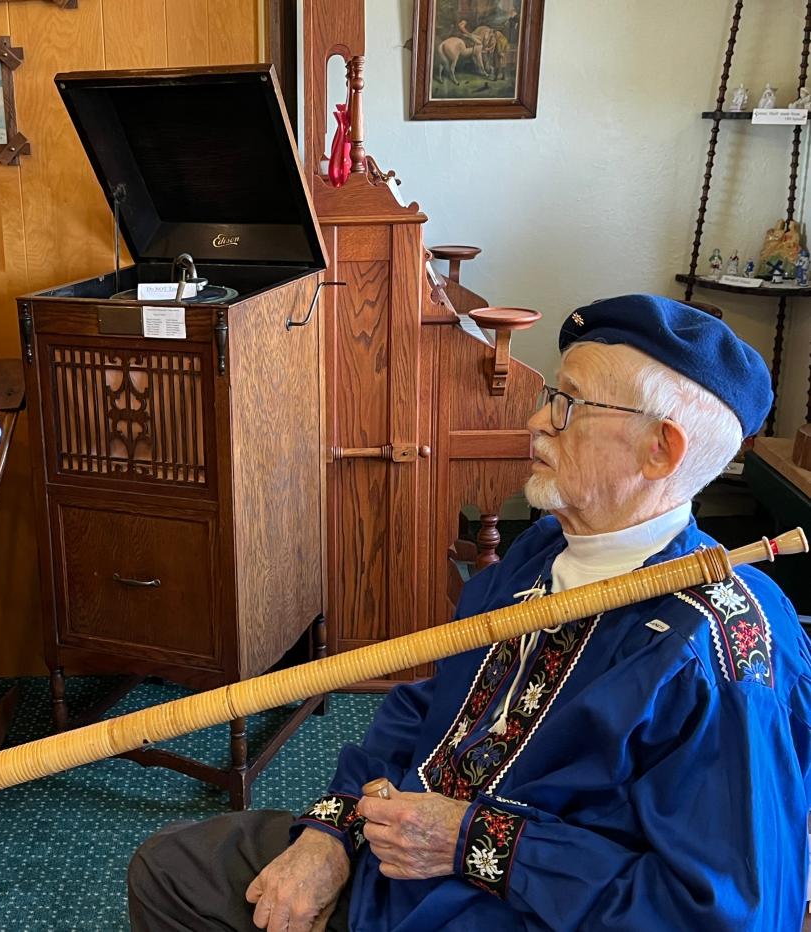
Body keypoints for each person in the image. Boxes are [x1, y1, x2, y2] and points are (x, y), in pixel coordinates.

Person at [128, 293, 811, 931]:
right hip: (393, 874)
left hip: (510, 912)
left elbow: (724, 913)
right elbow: (425, 708)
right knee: (172, 869)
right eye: (549, 395)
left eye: (569, 405)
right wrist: (330, 836)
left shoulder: (725, 651)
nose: (537, 419)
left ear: (662, 449)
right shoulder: (537, 551)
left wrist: (480, 844)